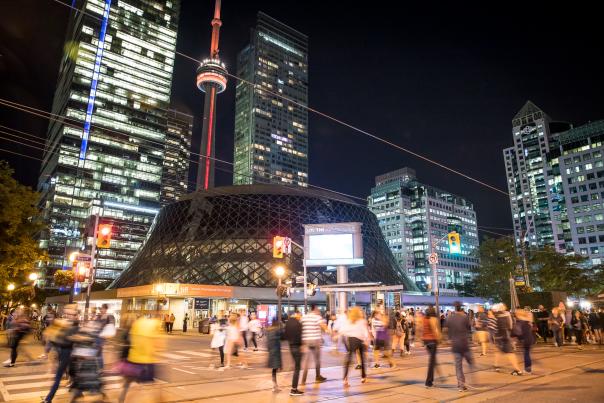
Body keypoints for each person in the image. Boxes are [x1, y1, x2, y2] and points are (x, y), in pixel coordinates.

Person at [118, 315, 162, 403]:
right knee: (151, 385)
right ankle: (158, 399)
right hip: (146, 362)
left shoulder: (135, 328)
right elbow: (157, 345)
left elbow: (128, 346)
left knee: (129, 382)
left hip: (132, 360)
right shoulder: (154, 327)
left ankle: (122, 399)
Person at [42, 304, 79, 403]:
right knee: (73, 376)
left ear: (75, 314)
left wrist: (57, 337)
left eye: (69, 314)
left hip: (69, 355)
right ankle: (77, 393)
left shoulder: (75, 326)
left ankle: (48, 399)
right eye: (66, 313)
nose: (67, 315)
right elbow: (52, 337)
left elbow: (66, 341)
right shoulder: (63, 324)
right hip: (63, 354)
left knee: (59, 377)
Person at [447, 302, 474, 392]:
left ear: (455, 308)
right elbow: (469, 328)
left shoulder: (450, 318)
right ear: (461, 308)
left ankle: (461, 385)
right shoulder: (465, 317)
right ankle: (470, 381)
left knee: (458, 366)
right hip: (464, 344)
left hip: (455, 345)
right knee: (470, 363)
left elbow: (447, 330)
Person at [341, 306, 369, 387]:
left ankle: (345, 379)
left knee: (348, 359)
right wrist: (366, 340)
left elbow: (343, 330)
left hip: (351, 340)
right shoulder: (362, 321)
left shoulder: (349, 321)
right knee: (362, 359)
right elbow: (365, 332)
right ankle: (363, 377)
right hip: (360, 340)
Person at [492, 303, 522, 375]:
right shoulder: (507, 314)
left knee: (509, 353)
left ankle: (517, 370)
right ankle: (496, 365)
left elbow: (494, 327)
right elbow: (511, 326)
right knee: (498, 350)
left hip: (501, 337)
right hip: (505, 336)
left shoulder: (496, 316)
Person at [301, 304, 327, 384]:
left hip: (306, 340)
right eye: (317, 309)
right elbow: (323, 327)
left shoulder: (304, 317)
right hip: (315, 340)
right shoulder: (317, 317)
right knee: (317, 360)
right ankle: (317, 376)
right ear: (315, 309)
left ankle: (303, 380)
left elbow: (300, 327)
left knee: (306, 361)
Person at [418, 306, 441, 388]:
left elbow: (420, 329)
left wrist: (421, 340)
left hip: (426, 341)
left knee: (432, 359)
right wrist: (439, 339)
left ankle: (437, 376)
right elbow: (436, 331)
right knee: (431, 362)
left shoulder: (423, 319)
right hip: (432, 341)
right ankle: (428, 381)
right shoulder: (433, 319)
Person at [284, 310, 304, 396]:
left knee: (296, 366)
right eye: (300, 315)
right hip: (297, 347)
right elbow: (300, 336)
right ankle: (294, 389)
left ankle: (294, 388)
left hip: (291, 346)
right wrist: (302, 345)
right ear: (296, 314)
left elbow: (284, 335)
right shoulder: (298, 324)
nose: (300, 317)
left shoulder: (288, 323)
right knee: (297, 368)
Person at [95, 303, 116, 370]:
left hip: (101, 337)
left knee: (99, 352)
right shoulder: (98, 316)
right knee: (97, 352)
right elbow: (95, 324)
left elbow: (111, 327)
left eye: (103, 308)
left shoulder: (108, 317)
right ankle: (99, 367)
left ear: (106, 309)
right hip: (96, 335)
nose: (102, 310)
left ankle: (100, 367)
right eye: (101, 308)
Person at [514, 309, 535, 374]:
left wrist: (513, 336)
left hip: (524, 340)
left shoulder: (520, 321)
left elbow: (517, 332)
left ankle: (528, 369)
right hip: (529, 339)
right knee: (527, 354)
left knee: (526, 354)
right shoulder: (528, 321)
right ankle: (528, 369)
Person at [266, 317, 282, 392]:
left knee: (274, 369)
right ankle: (275, 386)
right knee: (275, 369)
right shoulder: (277, 330)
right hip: (276, 352)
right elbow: (280, 338)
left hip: (271, 351)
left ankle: (275, 385)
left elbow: (268, 342)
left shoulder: (269, 330)